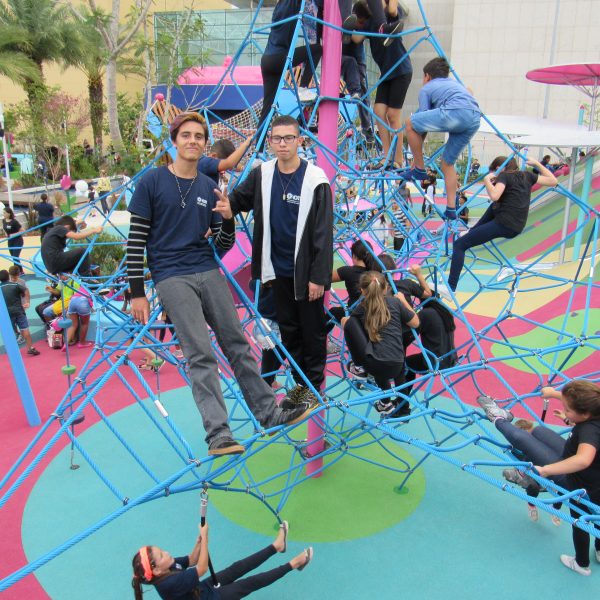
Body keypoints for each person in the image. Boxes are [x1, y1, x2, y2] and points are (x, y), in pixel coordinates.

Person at [127, 111, 316, 457]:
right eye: (186, 135)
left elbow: (223, 243)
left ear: (205, 144)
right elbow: (136, 239)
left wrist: (228, 219)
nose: (192, 141)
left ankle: (268, 412)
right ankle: (218, 433)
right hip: (170, 274)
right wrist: (137, 292)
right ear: (174, 140)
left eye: (199, 136)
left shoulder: (207, 186)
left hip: (206, 267)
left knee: (237, 343)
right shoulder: (153, 181)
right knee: (200, 352)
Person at [229, 115, 333, 406]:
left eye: (289, 138)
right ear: (271, 142)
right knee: (288, 331)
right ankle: (301, 385)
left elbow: (323, 234)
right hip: (276, 271)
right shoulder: (263, 174)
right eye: (277, 138)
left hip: (305, 273)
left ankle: (312, 387)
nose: (283, 143)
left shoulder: (315, 179)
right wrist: (219, 209)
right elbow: (236, 200)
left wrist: (318, 277)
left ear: (300, 141)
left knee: (312, 332)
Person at [477, 381, 600, 576]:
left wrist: (546, 470)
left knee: (581, 522)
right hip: (586, 472)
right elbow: (584, 403)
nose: (565, 411)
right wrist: (555, 394)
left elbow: (583, 459)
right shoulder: (594, 410)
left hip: (577, 483)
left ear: (585, 414)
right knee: (539, 431)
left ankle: (581, 563)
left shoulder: (589, 430)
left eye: (568, 410)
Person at [447, 156, 557, 291]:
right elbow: (553, 181)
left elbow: (494, 195)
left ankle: (450, 287)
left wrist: (487, 180)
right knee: (494, 206)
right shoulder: (527, 175)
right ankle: (472, 230)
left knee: (459, 244)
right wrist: (536, 164)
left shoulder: (504, 176)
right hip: (517, 226)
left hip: (503, 223)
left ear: (499, 168)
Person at [131, 519, 312, 600]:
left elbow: (192, 560)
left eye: (162, 550)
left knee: (237, 567)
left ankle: (277, 546)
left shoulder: (169, 566)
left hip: (202, 590)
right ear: (156, 570)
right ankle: (295, 563)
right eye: (162, 555)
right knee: (249, 583)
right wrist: (206, 538)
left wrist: (199, 542)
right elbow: (202, 568)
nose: (166, 552)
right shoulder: (168, 584)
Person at [404, 57, 481, 217]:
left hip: (455, 112)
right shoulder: (454, 85)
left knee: (410, 123)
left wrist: (417, 162)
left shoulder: (426, 89)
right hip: (474, 118)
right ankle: (451, 208)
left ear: (427, 76)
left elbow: (421, 123)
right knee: (447, 164)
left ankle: (419, 169)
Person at [342, 270, 419, 415]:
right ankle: (392, 406)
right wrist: (403, 301)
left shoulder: (363, 306)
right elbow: (415, 322)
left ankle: (358, 367)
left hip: (374, 365)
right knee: (384, 350)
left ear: (362, 290)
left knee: (348, 321)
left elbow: (351, 326)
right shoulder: (395, 302)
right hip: (397, 365)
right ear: (386, 288)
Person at [351, 0, 412, 169]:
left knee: (393, 115)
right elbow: (356, 38)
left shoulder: (388, 18)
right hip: (386, 73)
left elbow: (392, 8)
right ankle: (386, 156)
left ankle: (398, 159)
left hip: (400, 70)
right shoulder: (370, 22)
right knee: (378, 112)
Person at [257, 0, 323, 140]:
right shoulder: (289, 4)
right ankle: (303, 87)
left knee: (267, 108)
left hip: (267, 60)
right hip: (278, 58)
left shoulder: (279, 9)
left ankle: (259, 149)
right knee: (317, 49)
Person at [329, 238, 374, 324]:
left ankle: (318, 332)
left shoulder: (348, 271)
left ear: (354, 256)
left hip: (354, 314)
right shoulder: (375, 272)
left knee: (333, 312)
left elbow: (325, 277)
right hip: (374, 313)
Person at [0, 269, 40, 355]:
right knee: (25, 329)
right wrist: (27, 302)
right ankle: (30, 348)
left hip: (7, 313)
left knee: (9, 332)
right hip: (19, 311)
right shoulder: (15, 285)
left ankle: (12, 350)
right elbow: (26, 290)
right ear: (8, 276)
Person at [2, 207, 24, 274]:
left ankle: (17, 272)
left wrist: (13, 234)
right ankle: (20, 271)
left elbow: (23, 231)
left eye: (4, 213)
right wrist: (6, 234)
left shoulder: (14, 222)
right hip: (10, 241)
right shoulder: (4, 220)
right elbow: (4, 228)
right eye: (3, 213)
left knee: (15, 257)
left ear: (9, 213)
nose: (3, 214)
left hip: (18, 241)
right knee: (14, 257)